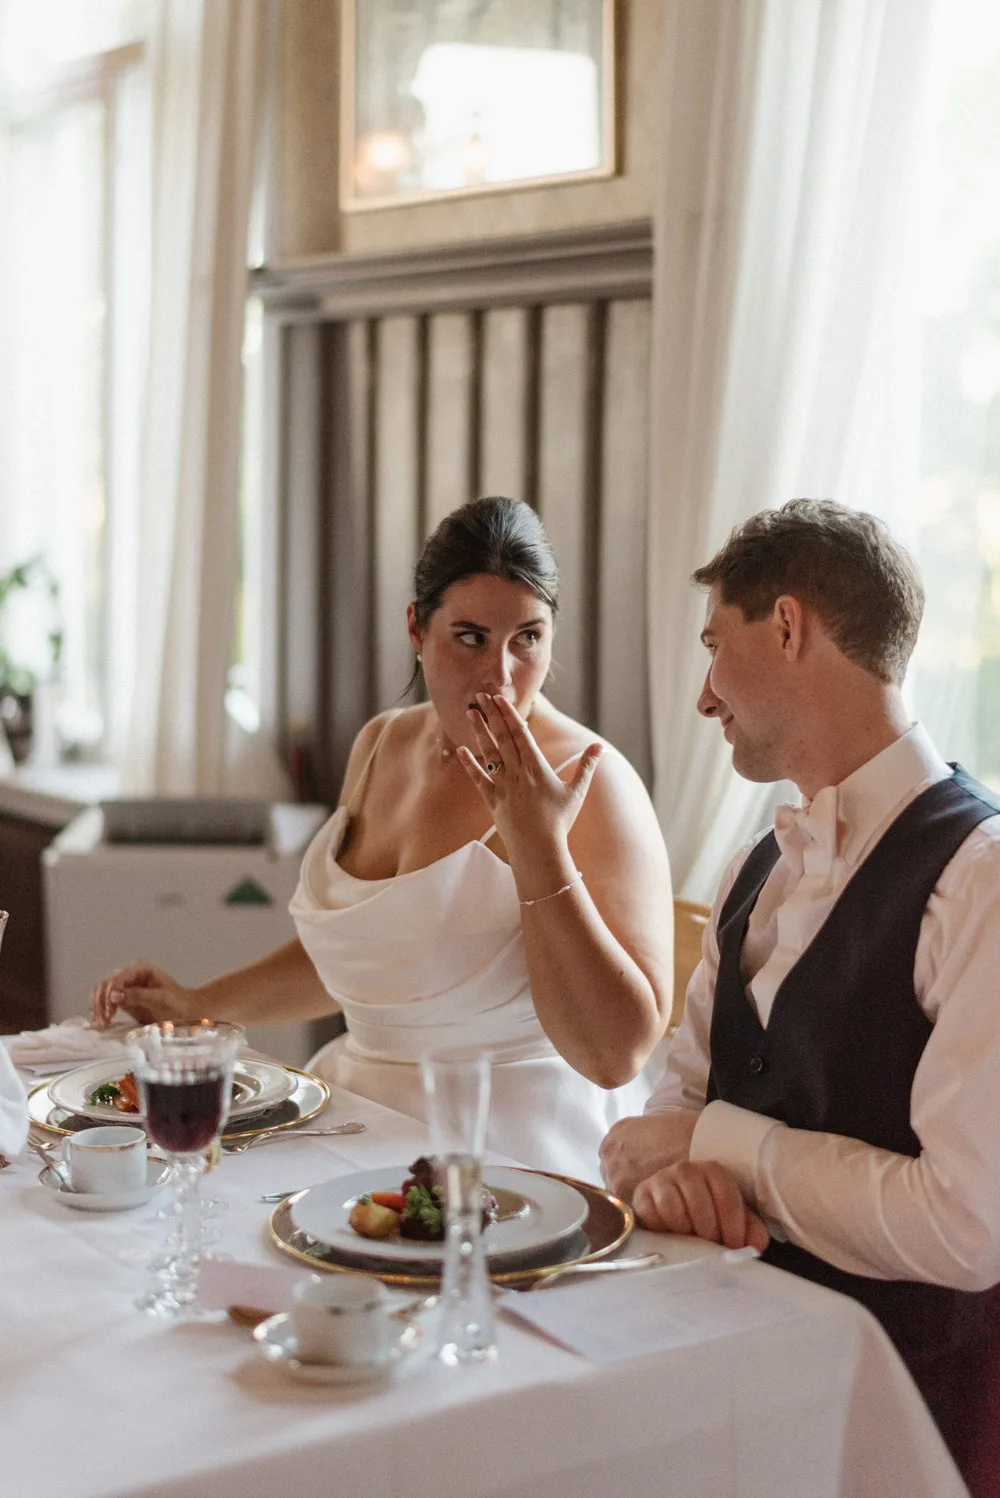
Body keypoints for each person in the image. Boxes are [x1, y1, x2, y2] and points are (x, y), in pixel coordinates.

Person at [93, 496, 673, 1182]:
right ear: (416, 628)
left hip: (510, 1141)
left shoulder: (594, 782)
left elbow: (616, 1056)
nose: (500, 674)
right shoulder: (379, 744)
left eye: (528, 638)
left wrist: (538, 847)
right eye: (471, 637)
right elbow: (369, 958)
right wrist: (197, 1006)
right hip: (356, 1112)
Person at [599, 498, 1000, 1477]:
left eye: (713, 646)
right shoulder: (752, 868)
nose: (704, 698)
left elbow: (967, 1225)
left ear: (786, 626)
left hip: (904, 1433)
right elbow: (671, 1113)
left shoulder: (982, 877)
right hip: (729, 1395)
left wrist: (723, 1149)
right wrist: (679, 1176)